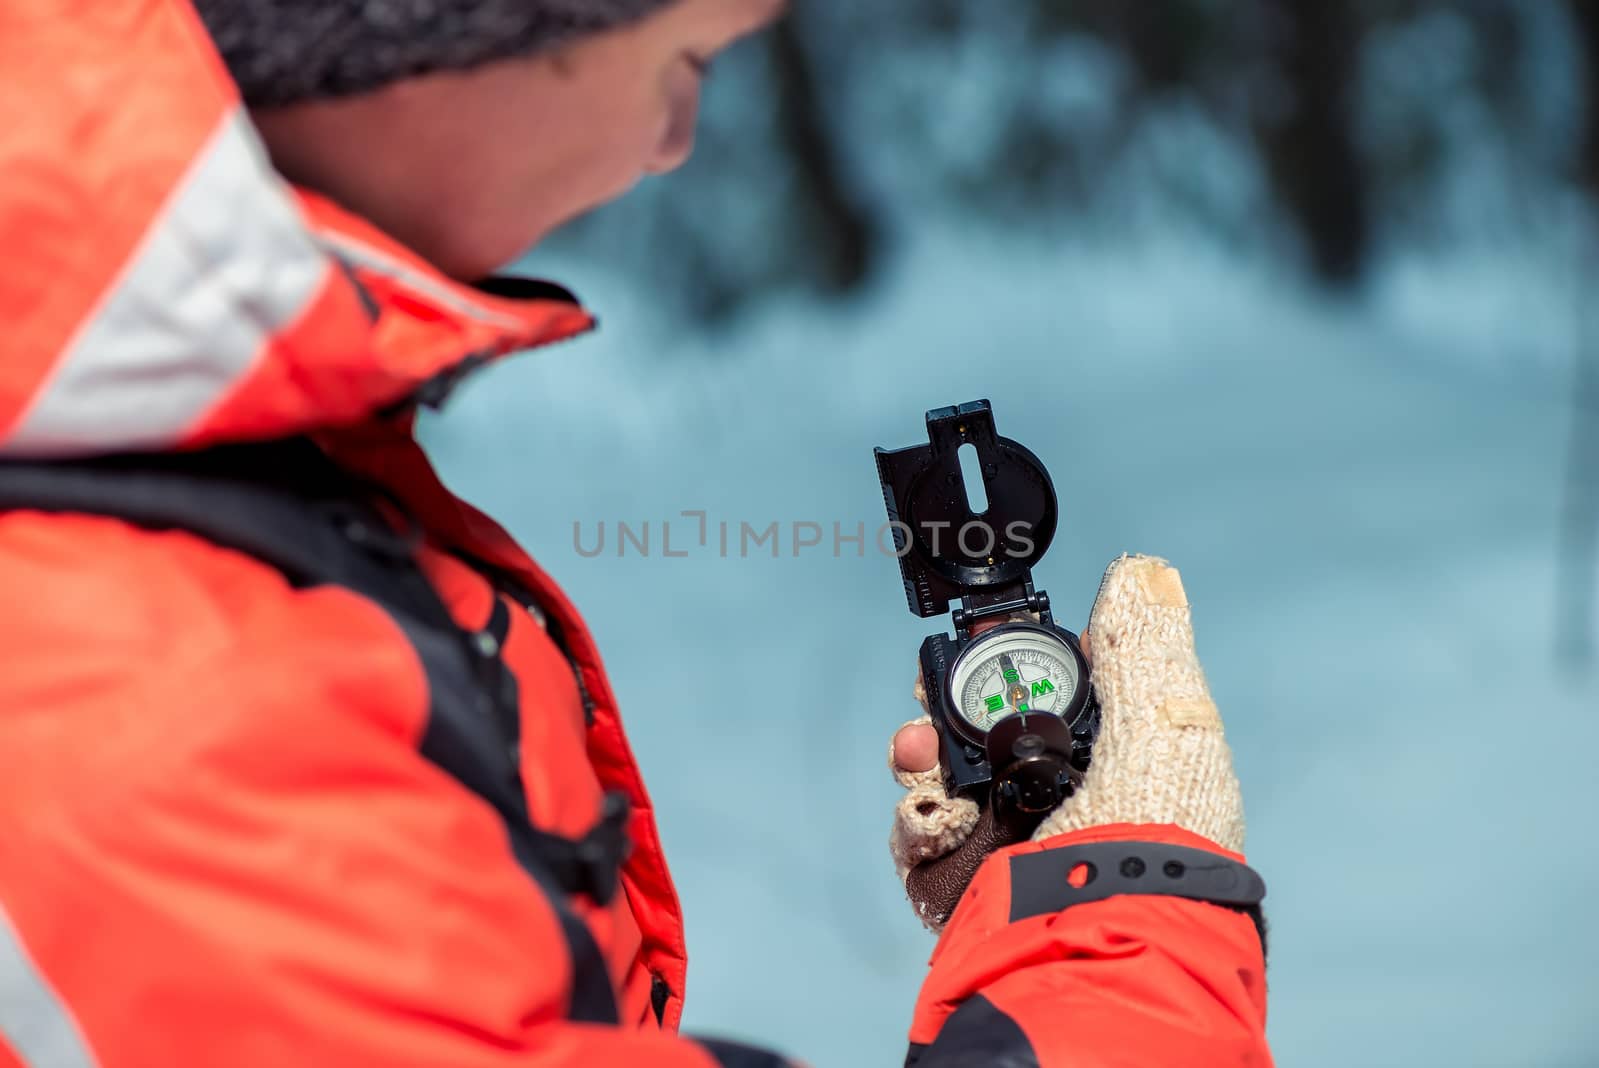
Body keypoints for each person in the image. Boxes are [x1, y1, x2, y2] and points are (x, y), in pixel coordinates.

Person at [0, 2, 1272, 1065]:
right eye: (689, 60)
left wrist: (1030, 915)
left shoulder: (173, 456)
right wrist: (1124, 918)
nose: (674, 143)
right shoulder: (165, 691)